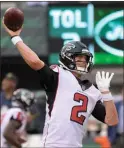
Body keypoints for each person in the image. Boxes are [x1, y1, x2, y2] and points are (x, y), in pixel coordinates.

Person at [2, 20, 118, 147]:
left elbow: (111, 120)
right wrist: (16, 38)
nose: (83, 62)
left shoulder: (92, 91)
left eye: (85, 59)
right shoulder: (58, 77)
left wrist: (106, 93)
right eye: (79, 58)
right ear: (67, 58)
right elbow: (35, 62)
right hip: (54, 144)